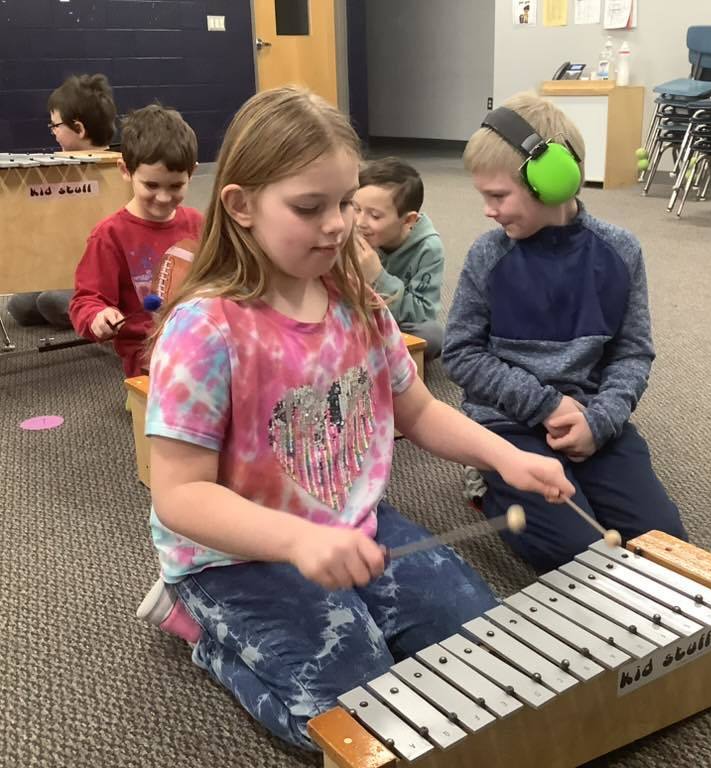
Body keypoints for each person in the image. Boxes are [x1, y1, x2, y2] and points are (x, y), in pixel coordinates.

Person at [138, 86, 575, 751]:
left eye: (345, 202)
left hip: (353, 521)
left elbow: (420, 410)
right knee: (354, 722)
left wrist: (506, 457)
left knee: (486, 657)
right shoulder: (206, 330)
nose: (339, 224)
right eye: (310, 207)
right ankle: (210, 643)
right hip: (233, 556)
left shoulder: (360, 304)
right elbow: (179, 494)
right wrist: (295, 542)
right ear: (242, 205)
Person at [443, 92, 687, 574]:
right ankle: (488, 480)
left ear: (551, 183)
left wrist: (601, 421)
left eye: (497, 196)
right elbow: (461, 354)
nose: (488, 211)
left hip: (594, 417)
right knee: (580, 558)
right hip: (509, 424)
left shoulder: (620, 251)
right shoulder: (488, 256)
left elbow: (633, 352)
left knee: (666, 545)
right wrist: (546, 405)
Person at [68, 104, 203, 376]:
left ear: (193, 173)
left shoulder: (198, 224)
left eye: (175, 186)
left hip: (198, 343)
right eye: (151, 185)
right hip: (146, 358)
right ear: (125, 170)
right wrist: (98, 316)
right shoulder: (110, 235)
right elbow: (87, 299)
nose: (164, 198)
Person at [8, 73, 117, 329]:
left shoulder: (118, 171)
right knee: (19, 306)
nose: (53, 133)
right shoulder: (56, 171)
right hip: (67, 265)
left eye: (55, 126)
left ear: (79, 128)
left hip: (100, 274)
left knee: (51, 301)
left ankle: (102, 315)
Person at [353, 157, 445, 359]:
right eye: (356, 209)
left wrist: (378, 277)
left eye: (375, 216)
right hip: (358, 315)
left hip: (397, 322)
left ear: (408, 220)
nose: (360, 222)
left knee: (432, 336)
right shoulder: (350, 231)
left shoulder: (428, 248)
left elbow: (423, 313)